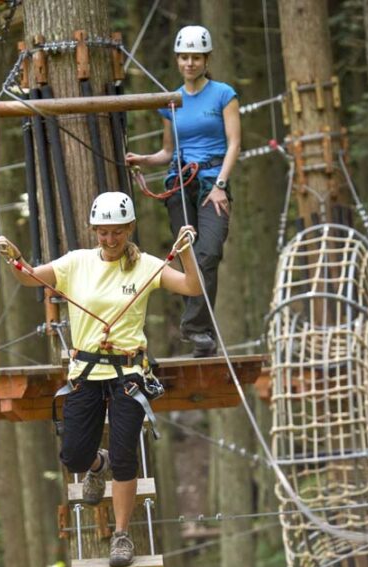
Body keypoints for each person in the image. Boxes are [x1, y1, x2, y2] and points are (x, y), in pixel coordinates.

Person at [0, 191, 198, 567]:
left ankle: (121, 536)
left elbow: (192, 287)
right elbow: (29, 279)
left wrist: (185, 250)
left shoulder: (146, 266)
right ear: (94, 231)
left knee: (125, 457)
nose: (109, 239)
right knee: (73, 454)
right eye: (102, 232)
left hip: (128, 375)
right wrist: (15, 258)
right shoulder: (76, 264)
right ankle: (95, 465)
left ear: (129, 229)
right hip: (85, 373)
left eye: (117, 232)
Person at [126, 24, 241, 358]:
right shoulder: (171, 101)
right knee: (188, 254)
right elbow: (167, 151)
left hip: (211, 182)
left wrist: (220, 184)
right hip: (180, 183)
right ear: (178, 60)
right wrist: (144, 160)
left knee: (210, 251)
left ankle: (196, 328)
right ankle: (200, 334)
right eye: (184, 57)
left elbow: (234, 143)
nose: (190, 63)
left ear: (206, 59)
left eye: (196, 57)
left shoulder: (223, 94)